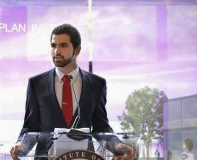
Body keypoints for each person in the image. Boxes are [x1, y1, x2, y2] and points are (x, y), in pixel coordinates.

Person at [10, 24, 134, 160]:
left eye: (63, 45)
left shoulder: (97, 84)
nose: (56, 50)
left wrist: (116, 146)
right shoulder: (36, 84)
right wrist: (21, 145)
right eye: (53, 45)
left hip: (85, 157)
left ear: (77, 49)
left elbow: (100, 126)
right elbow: (31, 126)